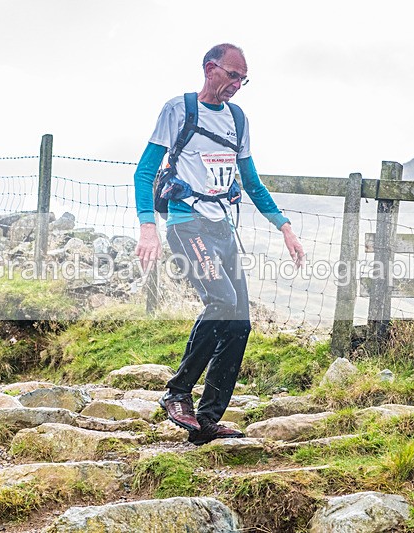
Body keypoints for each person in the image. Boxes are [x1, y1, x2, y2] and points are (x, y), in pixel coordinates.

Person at [133, 43, 304, 445]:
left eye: (244, 79)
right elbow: (144, 172)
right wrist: (147, 227)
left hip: (223, 229)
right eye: (232, 75)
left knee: (240, 322)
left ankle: (207, 421)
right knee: (222, 303)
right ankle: (177, 393)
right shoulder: (178, 110)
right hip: (186, 224)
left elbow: (252, 182)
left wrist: (285, 226)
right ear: (210, 69)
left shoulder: (239, 120)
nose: (238, 85)